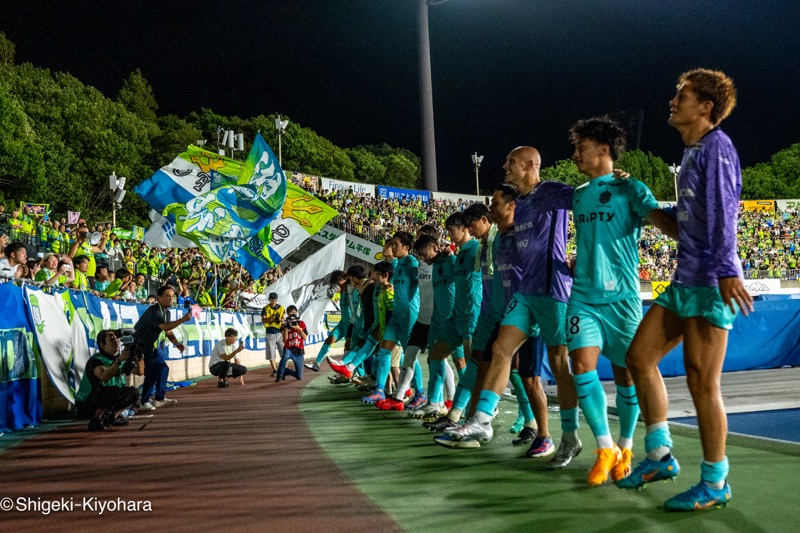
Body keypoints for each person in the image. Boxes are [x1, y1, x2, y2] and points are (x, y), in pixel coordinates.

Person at [618, 69, 754, 511]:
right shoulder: (694, 154)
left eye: (682, 95)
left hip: (710, 284)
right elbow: (684, 224)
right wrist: (642, 202)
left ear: (705, 107)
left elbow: (724, 214)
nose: (673, 101)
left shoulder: (718, 148)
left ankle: (715, 483)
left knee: (701, 382)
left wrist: (728, 272)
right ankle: (659, 456)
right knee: (639, 357)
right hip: (684, 282)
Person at [443, 146, 579, 465]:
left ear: (531, 165)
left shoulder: (552, 192)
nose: (504, 165)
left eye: (511, 162)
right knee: (501, 351)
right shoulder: (522, 204)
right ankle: (481, 421)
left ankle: (570, 437)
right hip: (526, 292)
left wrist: (610, 181)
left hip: (553, 291)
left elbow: (586, 201)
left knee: (560, 366)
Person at [561, 116, 678, 485]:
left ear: (604, 150)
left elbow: (664, 223)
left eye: (582, 146)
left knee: (629, 373)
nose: (576, 153)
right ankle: (604, 447)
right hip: (583, 297)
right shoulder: (579, 194)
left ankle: (626, 446)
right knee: (581, 365)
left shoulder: (632, 189)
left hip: (623, 298)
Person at [362, 231, 419, 404]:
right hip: (395, 316)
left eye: (396, 244)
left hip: (408, 315)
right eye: (392, 244)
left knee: (411, 357)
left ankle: (420, 392)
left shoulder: (412, 263)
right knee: (384, 351)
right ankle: (380, 390)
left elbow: (422, 283)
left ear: (406, 247)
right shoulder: (398, 265)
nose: (392, 247)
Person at [134, 285, 192, 411]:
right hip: (140, 345)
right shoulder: (154, 311)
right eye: (167, 296)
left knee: (155, 371)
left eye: (172, 296)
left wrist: (177, 343)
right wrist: (183, 319)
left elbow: (168, 331)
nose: (171, 299)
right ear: (159, 298)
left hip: (148, 346)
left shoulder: (167, 312)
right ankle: (154, 399)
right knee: (159, 369)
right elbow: (164, 327)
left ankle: (150, 400)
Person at [74, 329, 144, 431]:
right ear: (102, 345)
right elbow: (104, 376)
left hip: (107, 398)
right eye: (111, 339)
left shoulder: (120, 360)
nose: (115, 341)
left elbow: (140, 372)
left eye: (116, 338)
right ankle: (98, 418)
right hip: (87, 403)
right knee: (110, 390)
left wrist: (140, 357)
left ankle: (113, 416)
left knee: (134, 393)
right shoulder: (96, 360)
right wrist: (119, 360)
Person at [308, 270, 350, 372]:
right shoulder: (341, 293)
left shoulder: (352, 291)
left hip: (352, 325)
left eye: (336, 283)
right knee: (329, 340)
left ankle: (355, 374)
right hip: (342, 324)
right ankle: (317, 364)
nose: (336, 286)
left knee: (349, 349)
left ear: (342, 280)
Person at [276, 306, 308, 381]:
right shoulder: (285, 323)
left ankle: (286, 371)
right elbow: (285, 340)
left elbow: (305, 337)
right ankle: (279, 375)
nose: (293, 314)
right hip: (289, 348)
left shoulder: (301, 323)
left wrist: (299, 329)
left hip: (299, 350)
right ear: (287, 313)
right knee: (285, 357)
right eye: (291, 312)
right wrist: (285, 330)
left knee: (299, 376)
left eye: (294, 312)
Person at [261, 292, 285, 376]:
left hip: (279, 332)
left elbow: (283, 319)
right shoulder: (265, 308)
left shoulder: (281, 308)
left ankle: (283, 369)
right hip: (270, 332)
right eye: (272, 300)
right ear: (269, 299)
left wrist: (280, 320)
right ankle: (275, 370)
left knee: (283, 353)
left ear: (277, 300)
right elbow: (263, 320)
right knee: (271, 353)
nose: (273, 301)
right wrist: (270, 318)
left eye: (275, 300)